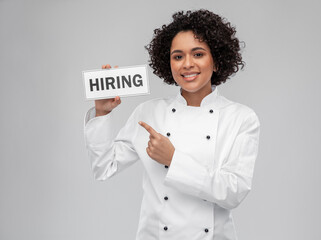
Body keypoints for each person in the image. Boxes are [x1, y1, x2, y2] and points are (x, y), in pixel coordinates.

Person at [84, 9, 260, 240]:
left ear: (216, 61)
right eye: (178, 56)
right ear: (168, 64)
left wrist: (173, 159)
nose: (187, 64)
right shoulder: (149, 112)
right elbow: (104, 167)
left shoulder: (241, 118)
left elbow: (233, 192)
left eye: (198, 54)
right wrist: (101, 113)